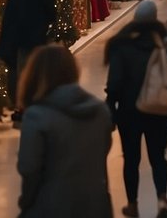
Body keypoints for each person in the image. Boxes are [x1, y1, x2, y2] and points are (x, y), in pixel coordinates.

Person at [106, 0, 167, 218]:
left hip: (129, 112)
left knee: (131, 159)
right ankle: (161, 198)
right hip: (158, 109)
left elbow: (114, 83)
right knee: (159, 156)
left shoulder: (121, 46)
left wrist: (111, 107)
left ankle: (132, 203)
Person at [16, 45, 113, 218]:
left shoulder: (36, 116)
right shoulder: (100, 111)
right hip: (96, 205)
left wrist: (26, 203)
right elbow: (102, 154)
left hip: (51, 206)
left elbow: (29, 168)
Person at [0, 0, 59, 123]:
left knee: (17, 65)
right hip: (32, 25)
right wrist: (52, 16)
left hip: (16, 21)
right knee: (29, 65)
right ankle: (26, 106)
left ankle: (18, 104)